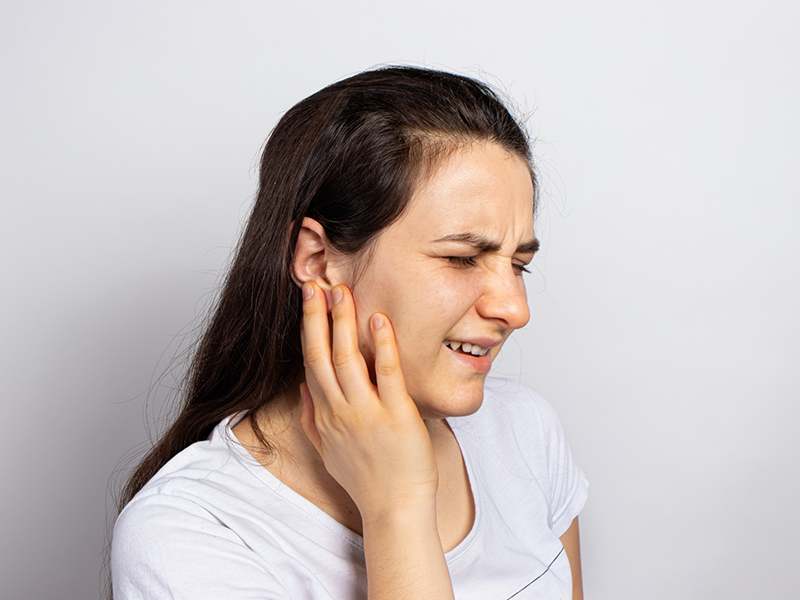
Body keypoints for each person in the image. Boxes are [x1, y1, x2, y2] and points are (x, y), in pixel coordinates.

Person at [111, 66, 588, 600]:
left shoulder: (525, 428)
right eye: (461, 258)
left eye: (519, 264)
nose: (515, 309)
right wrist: (396, 508)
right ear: (317, 260)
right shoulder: (193, 535)